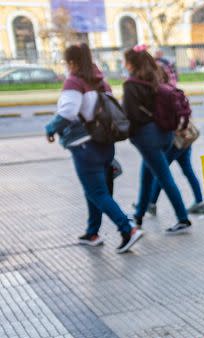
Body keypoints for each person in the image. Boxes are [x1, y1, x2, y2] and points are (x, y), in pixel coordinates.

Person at [45, 43, 142, 253]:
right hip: (105, 145)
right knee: (96, 190)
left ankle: (128, 229)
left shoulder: (75, 81)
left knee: (96, 191)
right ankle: (92, 232)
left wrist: (50, 128)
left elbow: (68, 112)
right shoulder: (101, 81)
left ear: (71, 62)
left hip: (84, 147)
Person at [123, 45, 191, 233]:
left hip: (147, 138)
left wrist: (131, 134)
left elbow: (131, 115)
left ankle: (183, 218)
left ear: (130, 64)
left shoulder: (131, 85)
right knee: (146, 175)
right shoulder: (157, 76)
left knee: (164, 177)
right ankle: (138, 216)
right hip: (165, 134)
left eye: (125, 61)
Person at [144, 62, 204, 217]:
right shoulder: (173, 89)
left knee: (162, 172)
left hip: (174, 140)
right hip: (185, 138)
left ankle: (151, 204)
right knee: (187, 170)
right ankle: (200, 202)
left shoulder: (162, 93)